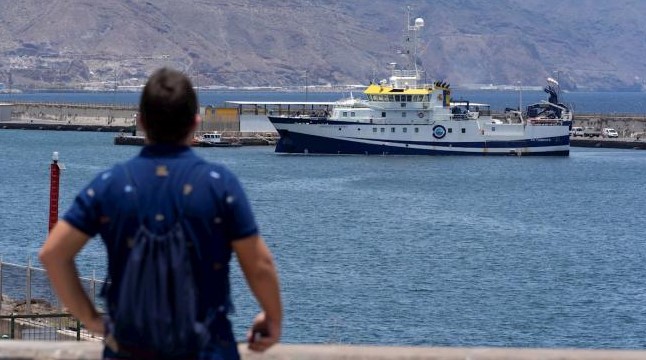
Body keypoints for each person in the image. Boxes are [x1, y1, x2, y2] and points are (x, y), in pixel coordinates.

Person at [39, 67, 282, 359]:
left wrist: (91, 319)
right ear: (196, 123)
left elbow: (53, 254)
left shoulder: (111, 185)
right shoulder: (220, 186)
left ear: (141, 122)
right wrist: (272, 318)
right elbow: (260, 265)